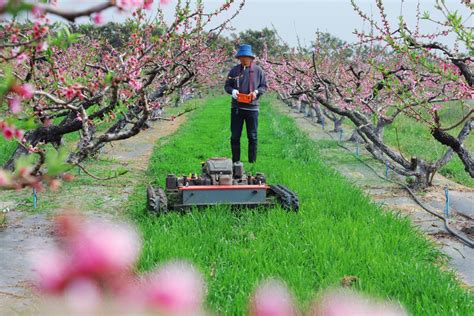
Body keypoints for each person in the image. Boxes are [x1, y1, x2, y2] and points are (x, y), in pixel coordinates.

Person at [224, 44, 268, 163]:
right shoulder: (234, 70)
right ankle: (235, 161)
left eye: (246, 57)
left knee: (252, 136)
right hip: (237, 108)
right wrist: (233, 91)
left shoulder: (258, 71)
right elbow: (227, 86)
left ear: (251, 58)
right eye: (241, 57)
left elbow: (264, 86)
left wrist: (256, 92)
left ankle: (252, 161)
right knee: (235, 136)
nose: (243, 60)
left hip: (252, 109)